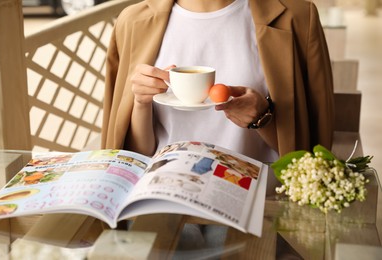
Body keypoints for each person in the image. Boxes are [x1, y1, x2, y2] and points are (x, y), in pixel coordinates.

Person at [101, 0, 334, 251]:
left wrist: (262, 119)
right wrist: (141, 102)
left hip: (258, 203)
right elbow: (134, 153)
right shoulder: (132, 21)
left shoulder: (297, 16)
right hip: (163, 199)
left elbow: (312, 154)